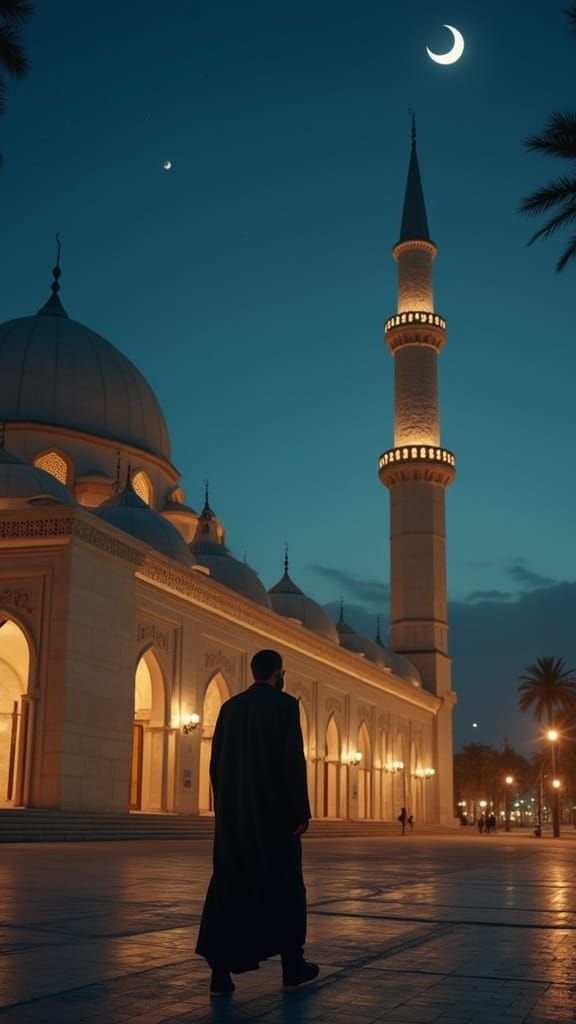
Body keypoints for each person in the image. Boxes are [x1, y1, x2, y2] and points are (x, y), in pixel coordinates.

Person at [195, 649, 318, 997]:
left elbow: (216, 765)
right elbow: (292, 762)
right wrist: (300, 812)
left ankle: (220, 976)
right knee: (286, 890)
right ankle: (292, 967)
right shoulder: (285, 706)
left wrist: (224, 808)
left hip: (235, 822)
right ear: (278, 673)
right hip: (274, 822)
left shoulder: (230, 708)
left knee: (229, 889)